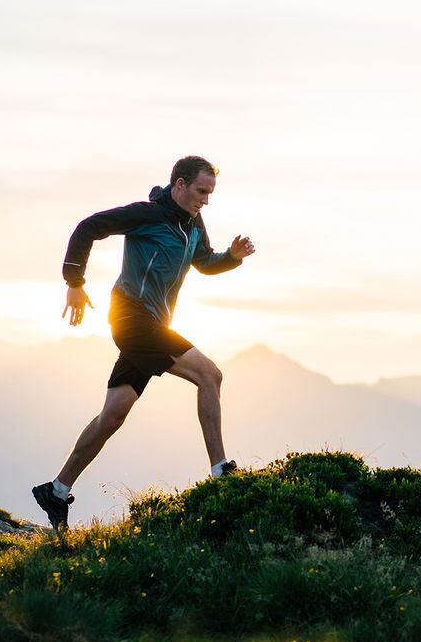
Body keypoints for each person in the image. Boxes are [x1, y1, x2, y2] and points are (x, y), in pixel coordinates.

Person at [32, 155, 256, 531]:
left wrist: (231, 258)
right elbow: (89, 227)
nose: (206, 200)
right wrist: (75, 282)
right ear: (179, 185)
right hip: (132, 318)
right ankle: (222, 472)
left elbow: (204, 262)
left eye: (210, 193)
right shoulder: (146, 215)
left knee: (113, 414)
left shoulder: (193, 225)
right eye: (201, 191)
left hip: (153, 323)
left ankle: (56, 490)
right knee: (210, 375)